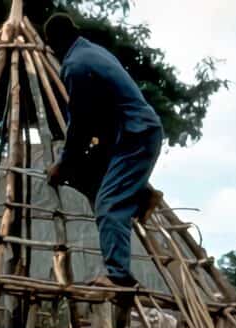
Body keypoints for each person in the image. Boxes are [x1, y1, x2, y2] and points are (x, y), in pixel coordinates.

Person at [44, 13, 164, 288]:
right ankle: (142, 195)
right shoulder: (91, 51)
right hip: (126, 135)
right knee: (84, 171)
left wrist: (62, 162)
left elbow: (80, 124)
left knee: (109, 206)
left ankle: (118, 276)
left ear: (54, 43)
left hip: (135, 136)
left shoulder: (75, 65)